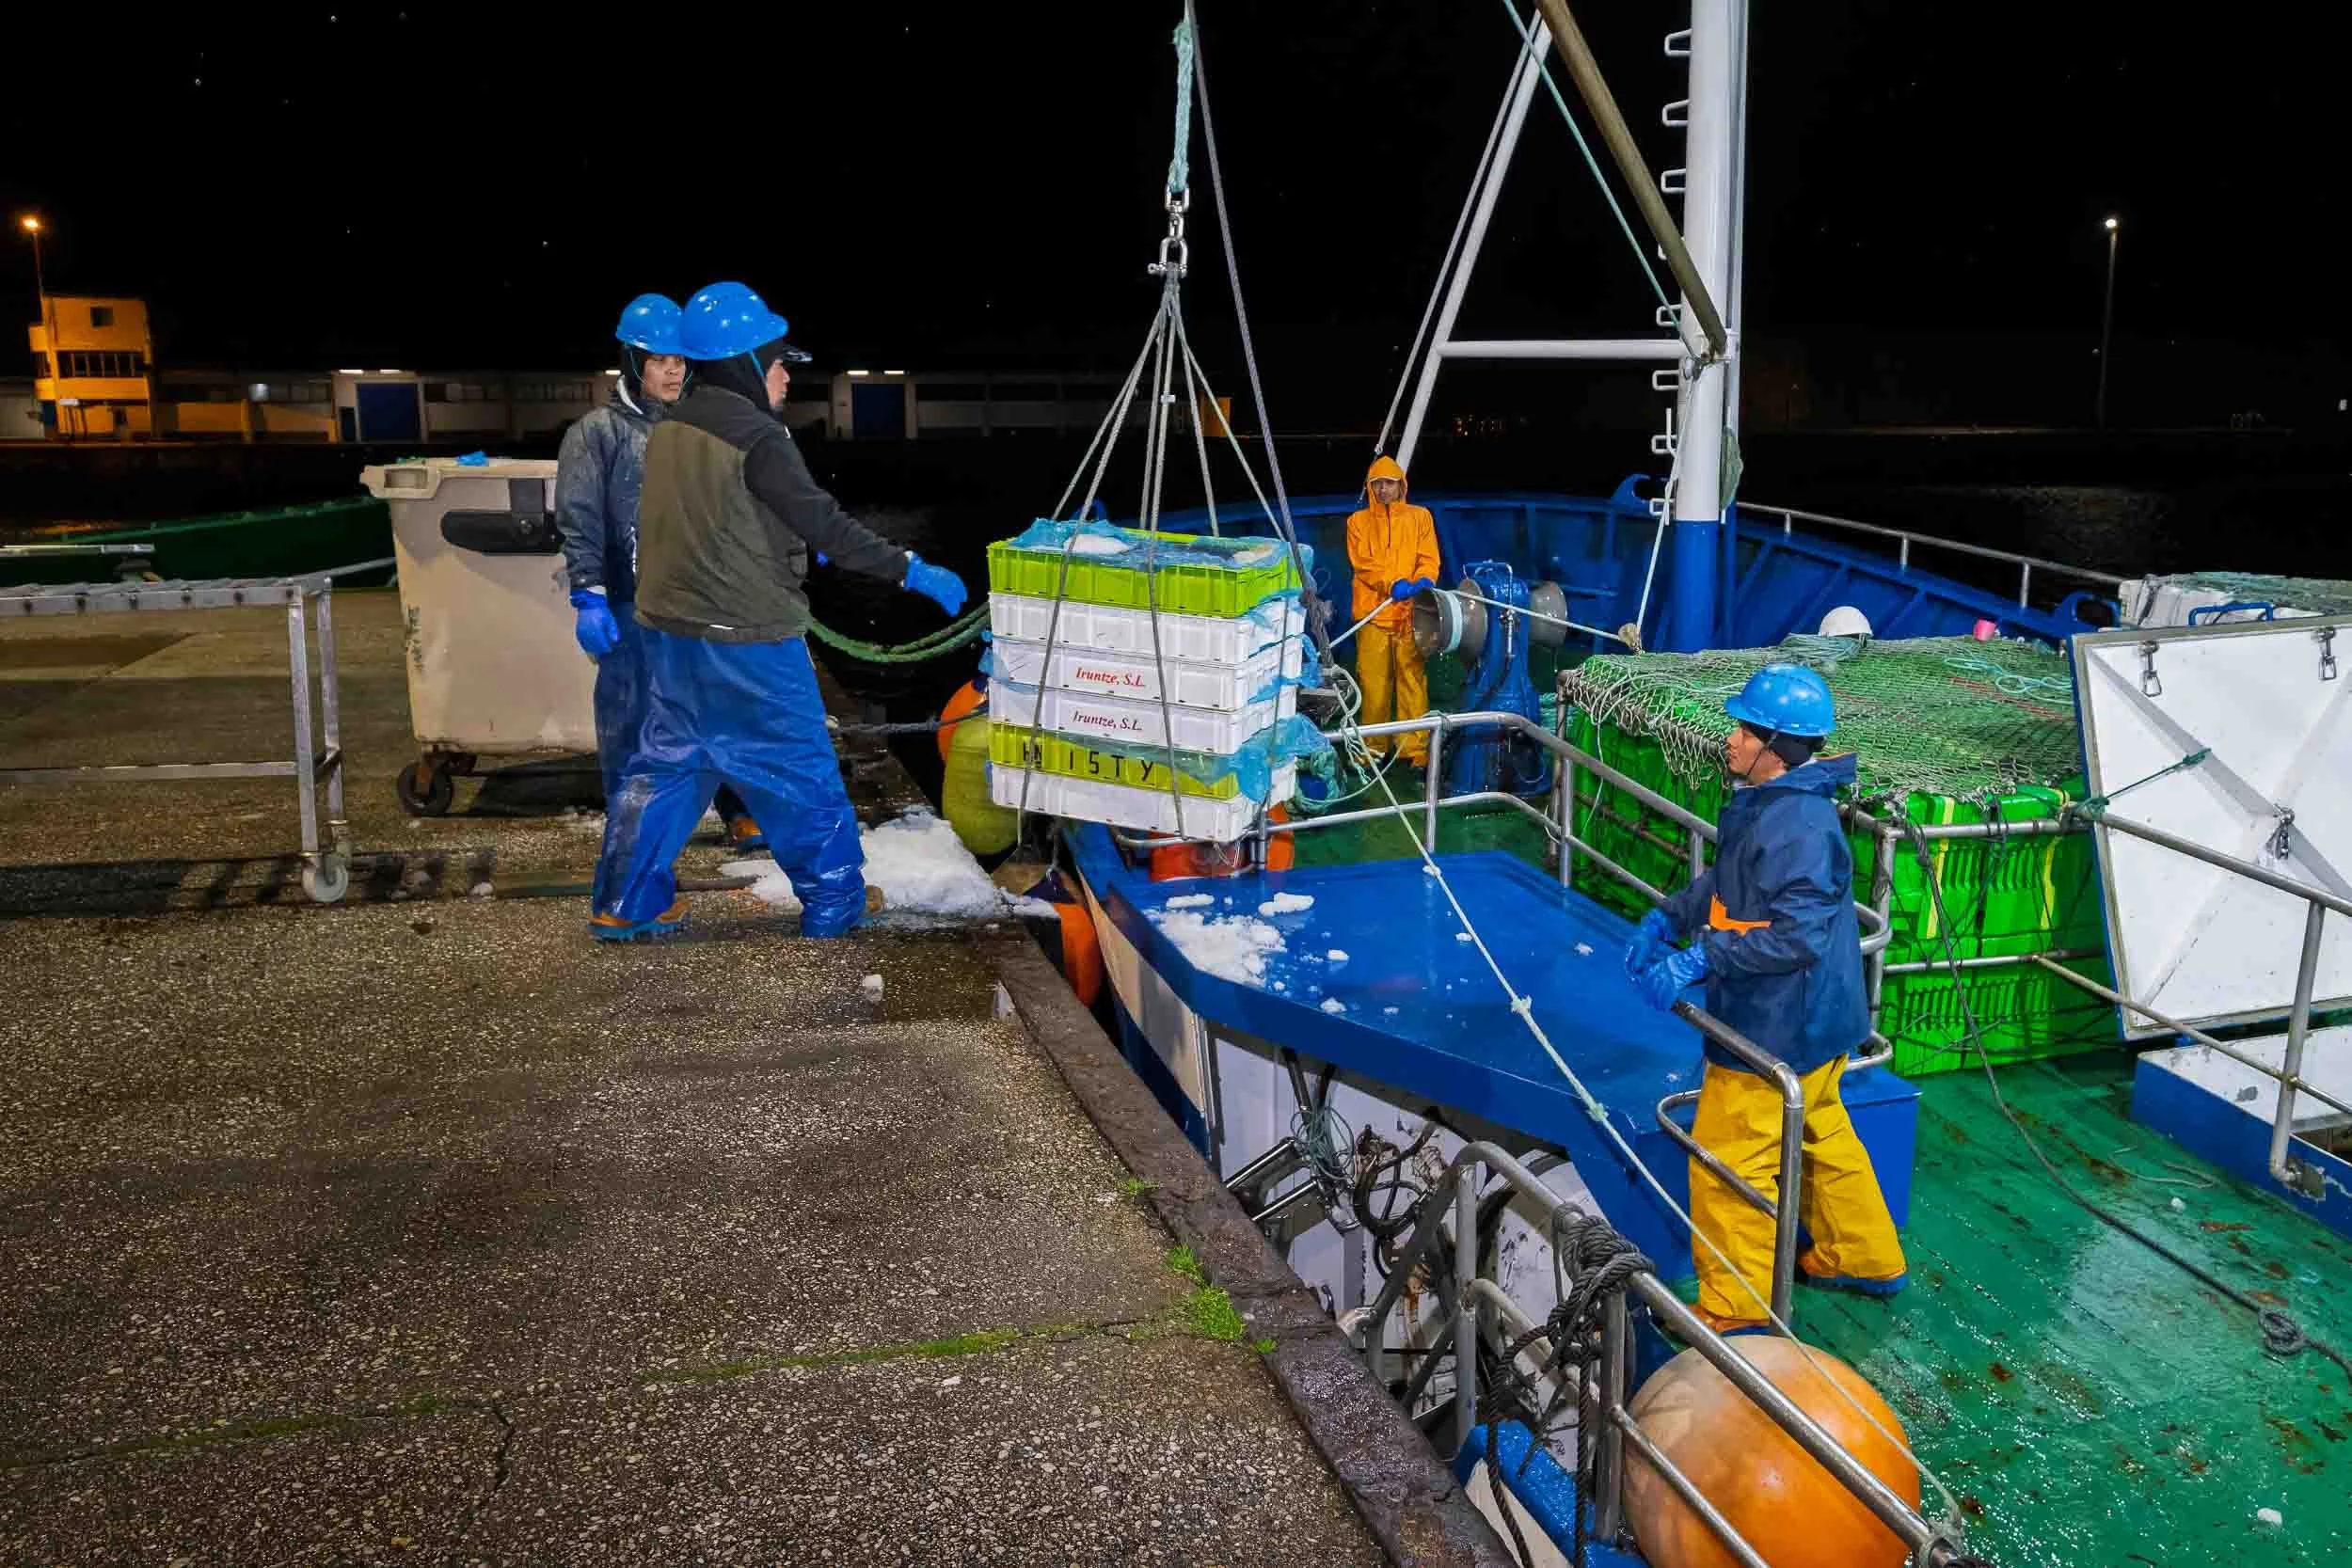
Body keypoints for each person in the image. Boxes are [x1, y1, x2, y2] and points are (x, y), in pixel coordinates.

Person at [590, 281, 967, 941]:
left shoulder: (673, 425)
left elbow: (710, 515)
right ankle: (836, 899)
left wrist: (782, 539)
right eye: (777, 362)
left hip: (670, 636)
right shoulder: (759, 436)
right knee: (801, 769)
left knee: (670, 765)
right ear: (744, 362)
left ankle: (623, 900)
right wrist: (910, 568)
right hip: (748, 640)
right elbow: (829, 525)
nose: (788, 376)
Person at [1625, 663, 1907, 1332]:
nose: (1731, 738)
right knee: (1822, 1133)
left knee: (1728, 1159)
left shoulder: (1798, 826)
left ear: (1776, 747)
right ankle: (1863, 1255)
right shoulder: (1774, 802)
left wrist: (1702, 956)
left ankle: (1736, 1312)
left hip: (1775, 1028)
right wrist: (1671, 916)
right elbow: (1733, 881)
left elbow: (1796, 937)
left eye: (1745, 730)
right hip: (1823, 1020)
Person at [558, 296, 756, 899]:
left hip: (702, 604)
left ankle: (739, 809)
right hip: (631, 606)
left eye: (680, 360)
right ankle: (630, 863)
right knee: (633, 731)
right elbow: (579, 516)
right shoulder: (597, 432)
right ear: (633, 362)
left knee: (721, 710)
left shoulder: (697, 424)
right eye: (659, 360)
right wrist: (589, 595)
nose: (672, 371)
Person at [1343, 455, 1439, 768]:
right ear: (1370, 487)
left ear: (1401, 485)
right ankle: (1373, 747)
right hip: (1373, 614)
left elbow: (1429, 557)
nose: (1383, 489)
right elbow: (1363, 564)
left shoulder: (1420, 517)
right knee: (1374, 684)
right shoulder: (1356, 522)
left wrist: (1425, 579)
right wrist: (1393, 582)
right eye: (1377, 484)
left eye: (1389, 483)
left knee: (1412, 680)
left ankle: (1414, 749)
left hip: (1412, 614)